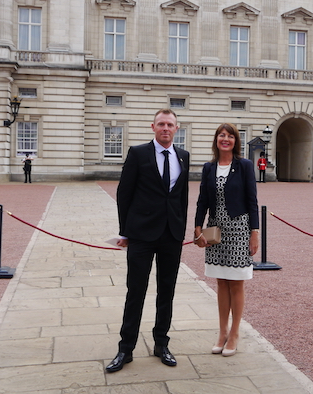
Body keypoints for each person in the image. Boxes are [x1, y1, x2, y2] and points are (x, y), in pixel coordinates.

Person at [106, 109, 190, 373]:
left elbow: (182, 197)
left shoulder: (183, 156)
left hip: (171, 235)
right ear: (153, 127)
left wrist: (182, 228)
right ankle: (125, 348)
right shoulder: (138, 153)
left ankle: (161, 344)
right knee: (136, 291)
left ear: (177, 129)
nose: (166, 128)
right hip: (141, 234)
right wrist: (125, 232)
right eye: (161, 124)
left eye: (171, 125)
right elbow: (124, 193)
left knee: (167, 291)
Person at [194, 123, 260, 357]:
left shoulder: (244, 166)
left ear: (235, 141)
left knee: (236, 282)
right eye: (222, 135)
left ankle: (234, 333)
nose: (226, 139)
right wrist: (197, 226)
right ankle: (221, 332)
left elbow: (252, 200)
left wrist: (255, 232)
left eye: (230, 136)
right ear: (216, 139)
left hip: (239, 228)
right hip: (216, 228)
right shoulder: (209, 167)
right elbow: (202, 199)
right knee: (221, 281)